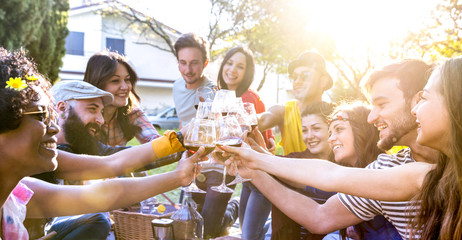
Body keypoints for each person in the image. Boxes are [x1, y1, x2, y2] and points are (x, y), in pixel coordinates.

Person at [221, 59, 440, 240]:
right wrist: (252, 168)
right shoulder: (388, 166)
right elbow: (320, 217)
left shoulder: (441, 167)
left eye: (381, 105)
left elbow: (329, 175)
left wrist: (257, 159)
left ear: (418, 101)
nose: (372, 117)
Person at [0, 48, 202, 240]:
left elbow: (109, 177)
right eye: (41, 116)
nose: (52, 127)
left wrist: (180, 166)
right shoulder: (51, 155)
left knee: (98, 220)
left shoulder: (21, 193)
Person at [216, 46, 275, 240]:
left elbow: (261, 132)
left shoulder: (248, 97)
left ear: (247, 72)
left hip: (260, 178)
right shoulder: (224, 96)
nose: (232, 69)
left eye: (240, 66)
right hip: (248, 178)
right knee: (247, 233)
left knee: (249, 236)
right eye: (230, 63)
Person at [258, 51, 333, 155]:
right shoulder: (283, 111)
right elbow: (262, 120)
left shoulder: (335, 115)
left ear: (323, 81)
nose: (297, 81)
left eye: (305, 76)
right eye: (294, 77)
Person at [83, 50, 160, 147]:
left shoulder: (132, 112)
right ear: (97, 84)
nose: (125, 87)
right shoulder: (80, 117)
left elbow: (155, 143)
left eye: (127, 80)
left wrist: (180, 138)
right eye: (115, 81)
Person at [172, 32, 216, 127]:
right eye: (183, 63)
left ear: (205, 63)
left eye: (194, 63)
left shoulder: (212, 92)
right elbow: (183, 120)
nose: (188, 70)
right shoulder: (177, 86)